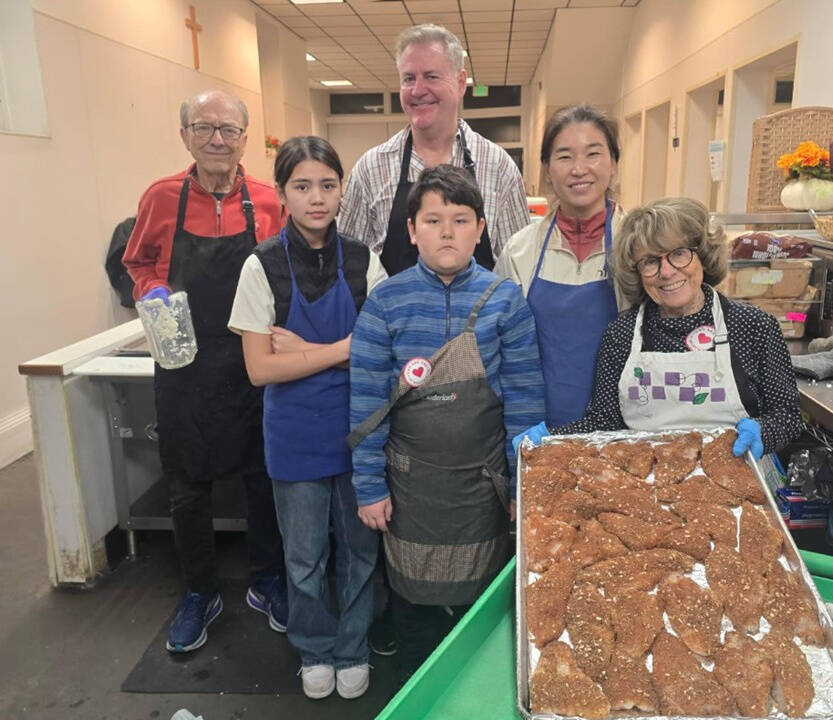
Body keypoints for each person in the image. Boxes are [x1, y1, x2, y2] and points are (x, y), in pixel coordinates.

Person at [348, 165, 544, 682]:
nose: (447, 232)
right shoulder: (384, 302)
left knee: (483, 605)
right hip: (409, 486)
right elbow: (367, 403)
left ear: (481, 229)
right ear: (411, 230)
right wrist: (369, 486)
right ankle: (420, 690)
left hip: (483, 487)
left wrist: (524, 485)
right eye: (432, 221)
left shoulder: (506, 299)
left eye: (460, 220)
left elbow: (525, 402)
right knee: (413, 602)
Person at [123, 90, 287, 653]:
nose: (216, 139)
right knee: (187, 483)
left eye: (228, 129)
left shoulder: (268, 200)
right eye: (203, 127)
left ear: (245, 138)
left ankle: (267, 580)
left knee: (262, 475)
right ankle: (199, 591)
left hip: (250, 360)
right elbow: (137, 262)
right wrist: (155, 288)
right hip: (183, 362)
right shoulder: (161, 198)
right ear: (185, 135)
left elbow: (280, 268)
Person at [228, 136, 386, 700]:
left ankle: (353, 647)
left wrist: (300, 353)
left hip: (359, 434)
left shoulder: (365, 260)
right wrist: (345, 348)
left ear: (342, 191)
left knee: (360, 553)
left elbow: (383, 350)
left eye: (327, 184)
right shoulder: (261, 265)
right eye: (302, 186)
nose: (316, 198)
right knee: (304, 557)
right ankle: (316, 649)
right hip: (294, 437)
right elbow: (259, 371)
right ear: (282, 194)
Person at [514, 197, 802, 457]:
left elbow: (787, 416)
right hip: (646, 489)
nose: (666, 272)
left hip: (738, 483)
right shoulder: (622, 335)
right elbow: (603, 423)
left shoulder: (753, 326)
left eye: (678, 253)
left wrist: (763, 432)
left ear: (702, 255)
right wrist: (550, 439)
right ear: (637, 273)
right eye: (650, 261)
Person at [339, 24, 529, 276]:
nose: (418, 90)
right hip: (393, 315)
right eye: (409, 78)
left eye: (431, 76)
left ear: (461, 83)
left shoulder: (499, 167)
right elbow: (348, 269)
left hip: (479, 315)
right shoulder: (370, 169)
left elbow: (518, 271)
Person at [495, 104, 627, 427]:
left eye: (593, 154)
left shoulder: (639, 244)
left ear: (614, 165)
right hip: (539, 426)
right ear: (547, 169)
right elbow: (500, 343)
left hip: (625, 427)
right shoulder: (520, 251)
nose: (579, 169)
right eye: (565, 156)